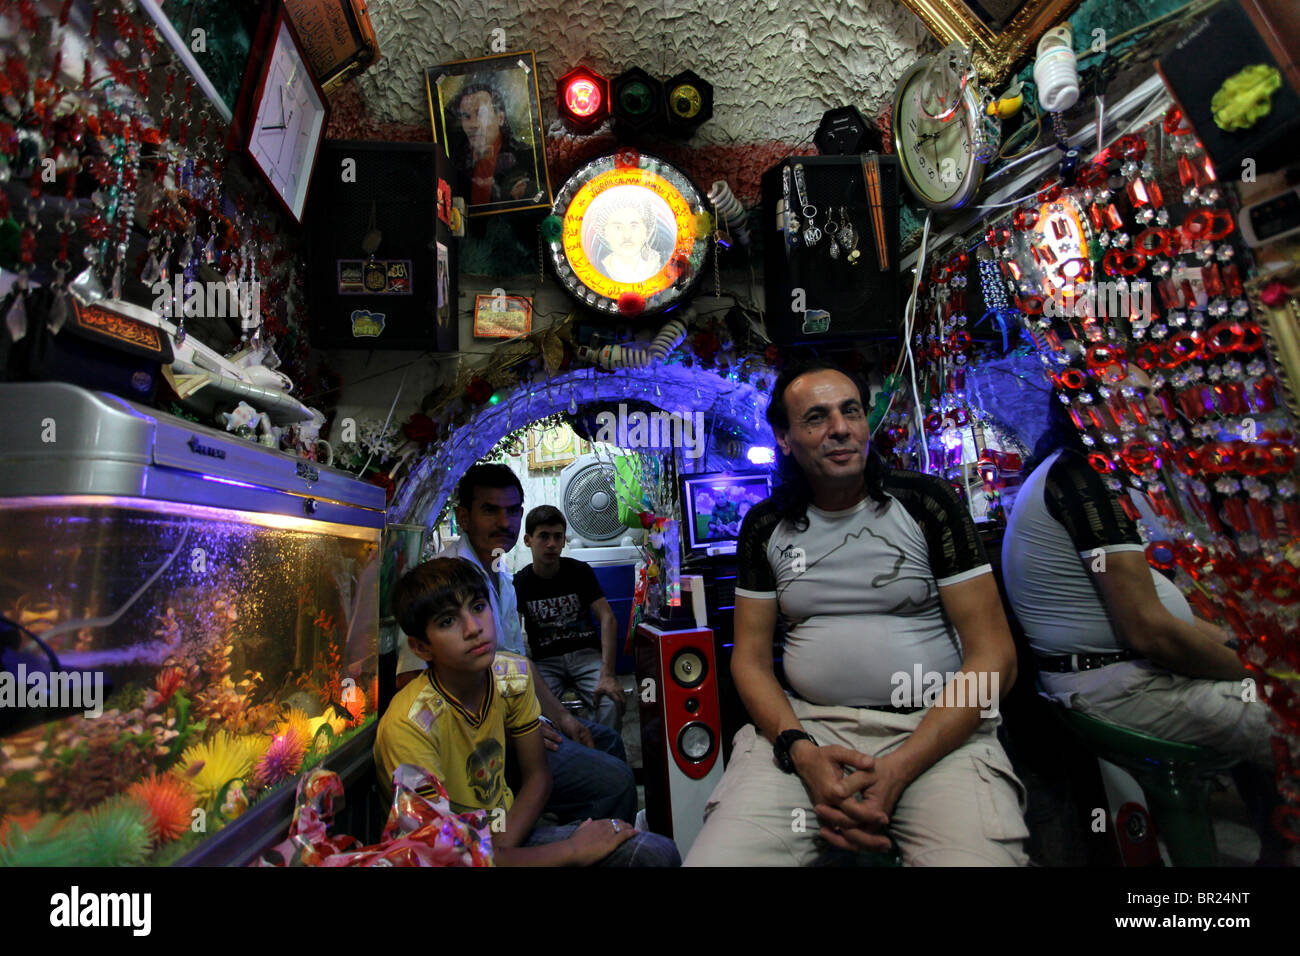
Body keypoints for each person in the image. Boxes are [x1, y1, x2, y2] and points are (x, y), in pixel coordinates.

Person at [684, 360, 1029, 867]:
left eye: (850, 412)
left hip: (935, 733)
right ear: (784, 437)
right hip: (807, 732)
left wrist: (899, 768)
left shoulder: (927, 503)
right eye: (816, 418)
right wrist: (802, 754)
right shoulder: (766, 525)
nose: (840, 428)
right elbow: (750, 663)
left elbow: (995, 657)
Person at [1001, 383, 1287, 863]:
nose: (1158, 404)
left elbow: (1172, 619)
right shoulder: (1082, 477)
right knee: (1289, 718)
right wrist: (1260, 676)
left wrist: (1254, 654)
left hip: (1129, 674)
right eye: (1139, 392)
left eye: (1157, 391)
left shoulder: (1091, 471)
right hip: (1121, 689)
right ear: (1093, 407)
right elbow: (1151, 632)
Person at [376, 557, 679, 865]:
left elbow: (538, 776)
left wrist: (505, 849)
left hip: (504, 836)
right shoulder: (408, 726)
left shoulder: (511, 676)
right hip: (448, 854)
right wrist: (571, 851)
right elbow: (435, 853)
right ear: (420, 648)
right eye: (447, 622)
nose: (473, 629)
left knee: (654, 850)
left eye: (478, 607)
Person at [395, 464, 637, 824]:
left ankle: (570, 829)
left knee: (608, 742)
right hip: (484, 742)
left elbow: (516, 664)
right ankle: (568, 841)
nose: (503, 522)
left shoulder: (502, 577)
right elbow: (409, 681)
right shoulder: (447, 580)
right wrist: (511, 726)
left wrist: (562, 718)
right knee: (616, 782)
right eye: (490, 510)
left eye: (511, 511)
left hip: (522, 720)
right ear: (464, 516)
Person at [515, 506, 626, 732]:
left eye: (558, 537)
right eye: (544, 536)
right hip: (545, 661)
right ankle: (569, 762)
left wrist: (608, 674)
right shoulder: (520, 583)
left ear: (564, 540)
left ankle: (604, 762)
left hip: (585, 655)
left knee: (610, 700)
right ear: (528, 540)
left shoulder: (579, 572)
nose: (551, 544)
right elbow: (512, 634)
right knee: (534, 711)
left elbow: (608, 619)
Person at [448, 82, 536, 206]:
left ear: (500, 118)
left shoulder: (526, 157)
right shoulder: (454, 163)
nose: (473, 125)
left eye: (481, 115)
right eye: (466, 117)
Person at [594, 197, 665, 283]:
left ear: (646, 230)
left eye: (634, 226)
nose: (627, 235)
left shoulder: (662, 266)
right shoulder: (597, 271)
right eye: (618, 227)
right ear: (605, 233)